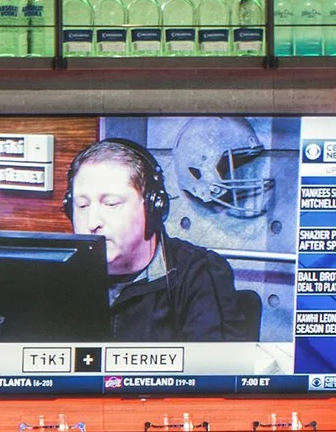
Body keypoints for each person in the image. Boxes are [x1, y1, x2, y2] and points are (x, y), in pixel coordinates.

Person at [64, 137, 261, 343]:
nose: (92, 222)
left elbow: (215, 371)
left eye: (111, 203)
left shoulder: (199, 273)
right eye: (82, 206)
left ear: (152, 208)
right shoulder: (60, 277)